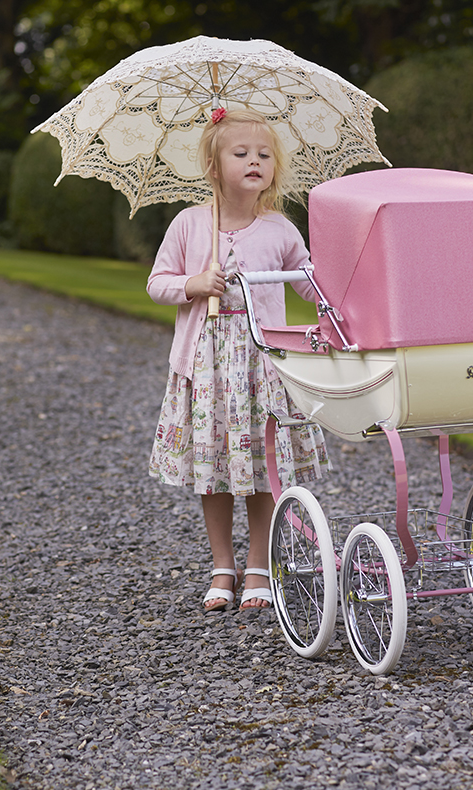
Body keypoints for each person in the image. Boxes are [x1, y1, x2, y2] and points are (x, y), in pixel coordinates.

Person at [147, 106, 330, 612]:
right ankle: (221, 565)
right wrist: (192, 284)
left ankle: (257, 564)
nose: (255, 161)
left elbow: (310, 282)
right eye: (242, 153)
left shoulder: (279, 230)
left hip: (260, 364)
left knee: (259, 465)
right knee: (215, 468)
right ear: (213, 165)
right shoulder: (189, 225)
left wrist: (331, 299)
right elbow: (157, 283)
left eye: (264, 155)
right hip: (206, 366)